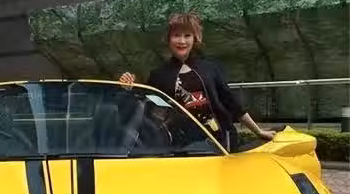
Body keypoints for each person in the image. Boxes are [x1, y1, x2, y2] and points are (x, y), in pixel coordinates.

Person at [118, 12, 275, 151]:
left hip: (221, 142)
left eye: (187, 36)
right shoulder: (158, 75)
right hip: (181, 147)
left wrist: (258, 131)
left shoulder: (210, 68)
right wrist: (128, 89)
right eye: (176, 35)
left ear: (195, 39)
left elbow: (232, 103)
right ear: (169, 39)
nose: (182, 41)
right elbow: (146, 111)